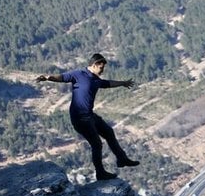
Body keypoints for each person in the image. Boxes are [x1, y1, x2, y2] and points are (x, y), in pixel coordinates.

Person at [36, 53, 139, 181]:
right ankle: (100, 173)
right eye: (101, 68)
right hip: (80, 118)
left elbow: (108, 83)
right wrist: (47, 77)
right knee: (96, 144)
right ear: (94, 65)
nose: (102, 70)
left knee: (108, 132)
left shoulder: (96, 79)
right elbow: (61, 77)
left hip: (89, 115)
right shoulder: (78, 74)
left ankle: (122, 159)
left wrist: (123, 83)